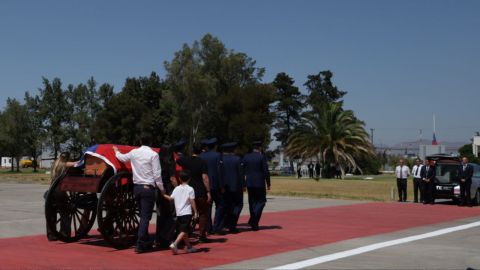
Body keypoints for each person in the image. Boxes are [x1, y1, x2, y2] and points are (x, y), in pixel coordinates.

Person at [113, 138, 164, 253]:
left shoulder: (134, 152)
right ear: (151, 143)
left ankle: (145, 241)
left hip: (136, 188)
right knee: (145, 217)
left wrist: (116, 151)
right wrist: (162, 189)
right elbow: (157, 175)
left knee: (143, 216)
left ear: (141, 142)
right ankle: (140, 244)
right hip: (148, 188)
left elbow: (121, 158)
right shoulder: (153, 154)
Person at [177, 145, 212, 243]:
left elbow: (177, 159)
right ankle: (202, 236)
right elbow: (205, 178)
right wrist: (208, 191)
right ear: (200, 152)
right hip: (200, 191)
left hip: (187, 191)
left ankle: (185, 234)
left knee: (188, 213)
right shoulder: (202, 162)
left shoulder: (185, 160)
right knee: (203, 214)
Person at [163, 170, 199, 255]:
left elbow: (170, 198)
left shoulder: (176, 188)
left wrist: (163, 194)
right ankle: (175, 243)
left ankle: (189, 247)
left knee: (183, 231)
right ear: (189, 179)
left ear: (179, 179)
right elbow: (192, 201)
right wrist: (196, 212)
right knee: (184, 230)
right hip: (187, 212)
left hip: (179, 213)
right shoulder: (190, 189)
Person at [243, 141, 270, 231]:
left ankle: (254, 223)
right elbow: (266, 171)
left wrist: (243, 183)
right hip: (259, 183)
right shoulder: (261, 157)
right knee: (262, 201)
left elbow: (242, 170)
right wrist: (268, 183)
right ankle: (254, 220)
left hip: (249, 182)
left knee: (252, 202)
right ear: (260, 148)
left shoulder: (246, 157)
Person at [199, 138, 225, 234]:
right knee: (220, 205)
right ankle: (217, 227)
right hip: (215, 185)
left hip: (205, 185)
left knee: (207, 207)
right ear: (215, 146)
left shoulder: (201, 156)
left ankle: (208, 228)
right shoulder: (218, 155)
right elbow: (220, 171)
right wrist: (222, 185)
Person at [220, 142, 244, 233]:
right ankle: (232, 224)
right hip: (236, 186)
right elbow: (241, 174)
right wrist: (243, 185)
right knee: (238, 205)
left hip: (224, 186)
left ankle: (225, 223)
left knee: (227, 205)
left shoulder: (221, 159)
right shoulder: (237, 159)